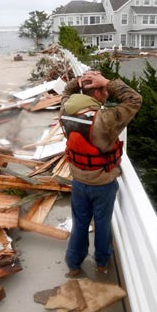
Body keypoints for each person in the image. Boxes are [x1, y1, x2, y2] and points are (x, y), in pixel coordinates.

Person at [60, 70, 142, 276]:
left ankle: (73, 264)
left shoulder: (65, 109)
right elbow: (134, 99)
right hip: (103, 183)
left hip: (78, 180)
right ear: (97, 94)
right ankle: (102, 263)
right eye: (104, 90)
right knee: (103, 225)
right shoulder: (106, 118)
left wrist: (79, 81)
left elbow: (67, 92)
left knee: (79, 224)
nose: (107, 92)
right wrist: (107, 80)